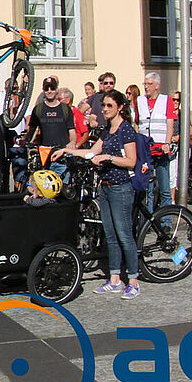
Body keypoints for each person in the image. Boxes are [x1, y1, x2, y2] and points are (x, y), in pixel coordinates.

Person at [53, 90, 140, 300]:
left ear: (120, 107)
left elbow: (131, 161)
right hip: (106, 186)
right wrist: (67, 151)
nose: (105, 110)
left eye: (110, 106)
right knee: (110, 235)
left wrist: (108, 157)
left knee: (124, 235)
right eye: (103, 106)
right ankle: (115, 279)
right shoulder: (108, 130)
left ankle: (134, 281)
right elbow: (92, 151)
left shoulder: (125, 130)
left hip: (121, 188)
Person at [137, 71, 176, 212]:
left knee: (164, 187)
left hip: (160, 149)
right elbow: (137, 124)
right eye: (145, 83)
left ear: (157, 86)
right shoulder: (140, 101)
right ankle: (147, 220)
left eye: (150, 84)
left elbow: (170, 124)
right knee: (147, 188)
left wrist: (167, 144)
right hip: (145, 150)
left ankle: (166, 222)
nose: (146, 87)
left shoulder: (166, 100)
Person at [25, 80, 76, 181]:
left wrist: (73, 142)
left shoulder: (65, 109)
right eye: (46, 88)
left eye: (52, 88)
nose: (49, 91)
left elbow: (72, 131)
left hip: (61, 157)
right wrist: (25, 141)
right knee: (45, 191)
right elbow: (31, 132)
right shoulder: (38, 109)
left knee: (63, 191)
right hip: (44, 158)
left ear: (56, 89)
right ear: (43, 90)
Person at [169, 90, 182, 202]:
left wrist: (179, 136)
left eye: (178, 100)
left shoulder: (182, 115)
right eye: (173, 99)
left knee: (175, 174)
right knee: (169, 174)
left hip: (178, 149)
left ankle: (174, 199)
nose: (175, 102)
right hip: (168, 146)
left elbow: (188, 130)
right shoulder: (166, 113)